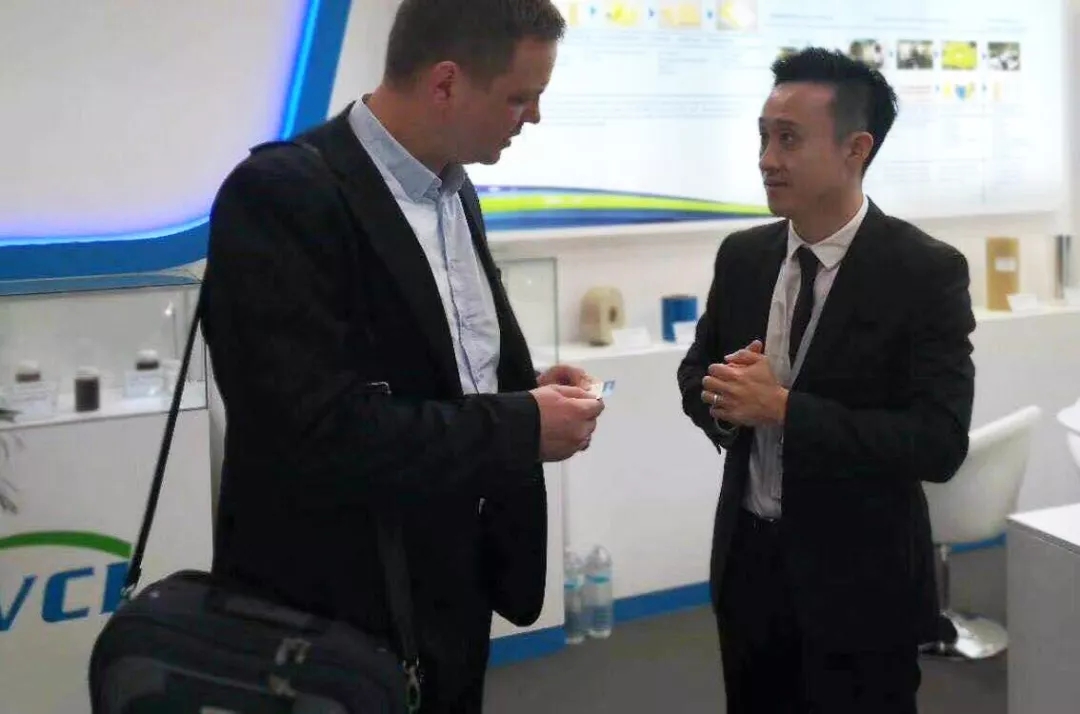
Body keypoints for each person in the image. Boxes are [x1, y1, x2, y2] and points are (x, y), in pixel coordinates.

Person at [201, 1, 603, 711]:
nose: (533, 118)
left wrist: (522, 388)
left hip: (450, 585)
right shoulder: (282, 195)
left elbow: (419, 366)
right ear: (445, 83)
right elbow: (311, 430)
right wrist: (520, 424)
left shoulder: (454, 191)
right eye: (520, 98)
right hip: (336, 609)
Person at [677, 47, 975, 713]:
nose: (766, 159)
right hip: (750, 572)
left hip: (862, 586)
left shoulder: (923, 272)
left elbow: (938, 442)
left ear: (855, 149)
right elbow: (696, 372)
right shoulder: (744, 257)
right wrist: (727, 403)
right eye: (763, 136)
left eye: (788, 139)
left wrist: (783, 408)